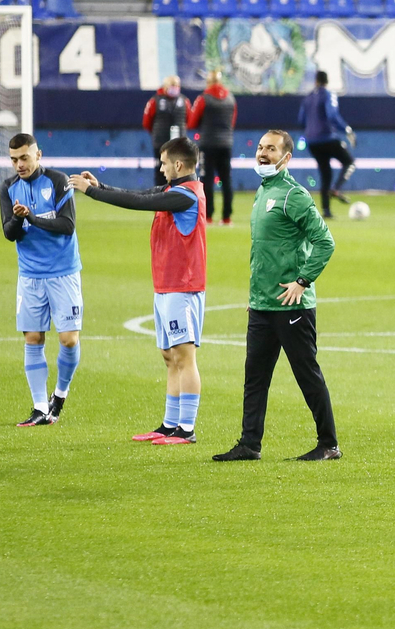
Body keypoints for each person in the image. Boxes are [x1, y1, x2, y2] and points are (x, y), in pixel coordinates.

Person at [68, 137, 207, 446]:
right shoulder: (173, 190)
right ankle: (170, 424)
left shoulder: (187, 196)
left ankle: (187, 428)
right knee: (170, 357)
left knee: (185, 358)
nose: (161, 168)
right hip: (166, 287)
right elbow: (139, 193)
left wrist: (91, 193)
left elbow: (140, 203)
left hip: (182, 289)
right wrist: (100, 186)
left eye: (163, 163)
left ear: (178, 165)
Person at [214, 130, 340, 462]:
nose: (262, 153)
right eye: (259, 147)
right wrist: (255, 294)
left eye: (271, 149)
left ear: (286, 158)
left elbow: (325, 242)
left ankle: (329, 444)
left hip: (291, 305)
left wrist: (302, 281)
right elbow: (266, 252)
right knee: (254, 377)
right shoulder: (263, 192)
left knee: (306, 374)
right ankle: (249, 444)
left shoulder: (292, 195)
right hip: (262, 304)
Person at [0, 133, 83, 427]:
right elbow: (9, 233)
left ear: (38, 155)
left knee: (68, 340)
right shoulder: (9, 188)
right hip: (31, 276)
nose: (19, 164)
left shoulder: (58, 181)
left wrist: (32, 217)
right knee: (33, 338)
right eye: (13, 160)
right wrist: (19, 220)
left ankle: (59, 395)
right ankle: (39, 408)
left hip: (63, 272)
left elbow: (67, 225)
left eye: (24, 157)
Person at [298, 70, 356, 219]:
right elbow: (332, 115)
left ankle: (326, 211)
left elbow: (301, 120)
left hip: (312, 142)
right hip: (327, 138)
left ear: (316, 81)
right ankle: (336, 189)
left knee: (325, 174)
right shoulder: (329, 94)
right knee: (349, 162)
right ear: (327, 81)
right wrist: (347, 130)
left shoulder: (308, 98)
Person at [189, 68, 237, 225]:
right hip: (226, 143)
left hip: (208, 144)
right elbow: (232, 122)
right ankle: (226, 217)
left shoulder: (204, 98)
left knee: (206, 180)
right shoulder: (230, 98)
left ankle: (208, 216)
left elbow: (192, 122)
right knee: (226, 180)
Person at [141, 75, 188, 186]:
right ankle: (160, 197)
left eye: (177, 86)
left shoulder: (184, 101)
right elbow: (146, 122)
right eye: (173, 85)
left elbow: (188, 120)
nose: (175, 88)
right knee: (161, 171)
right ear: (166, 86)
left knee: (179, 172)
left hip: (178, 144)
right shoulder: (155, 101)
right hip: (161, 143)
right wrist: (157, 134)